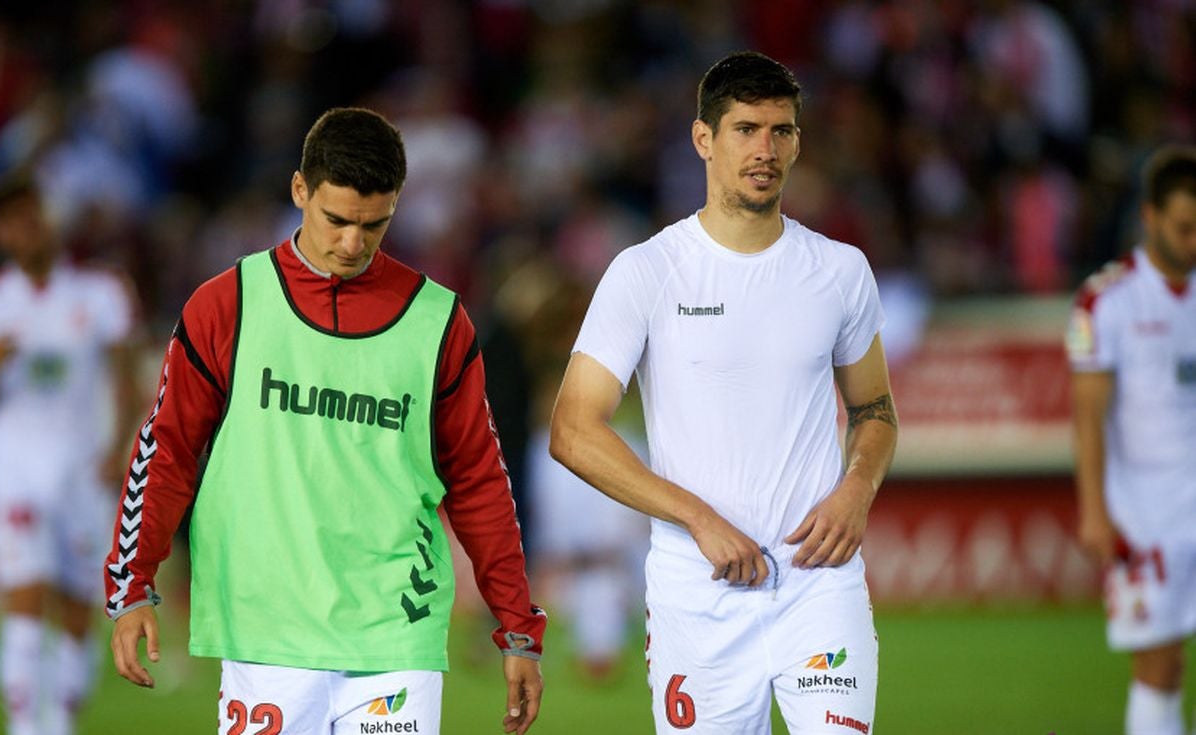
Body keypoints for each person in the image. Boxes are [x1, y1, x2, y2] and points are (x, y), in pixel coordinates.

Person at [105, 107, 546, 735]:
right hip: (265, 630)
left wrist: (517, 628)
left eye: (375, 225)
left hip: (398, 628)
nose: (352, 244)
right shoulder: (226, 305)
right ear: (300, 191)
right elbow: (167, 450)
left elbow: (478, 480)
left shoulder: (438, 322)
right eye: (336, 220)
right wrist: (133, 582)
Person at [550, 51, 897, 733]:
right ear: (703, 139)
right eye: (746, 129)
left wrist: (857, 489)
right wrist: (698, 518)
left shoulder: (840, 270)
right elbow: (573, 429)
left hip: (818, 583)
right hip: (697, 592)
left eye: (782, 131)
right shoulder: (647, 271)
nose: (766, 149)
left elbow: (874, 409)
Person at [0, 172, 142, 735]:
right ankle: (23, 726)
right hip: (15, 473)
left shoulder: (100, 292)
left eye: (34, 215)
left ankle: (59, 722)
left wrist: (119, 449)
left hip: (83, 473)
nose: (29, 229)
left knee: (79, 608)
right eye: (15, 222)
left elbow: (128, 378)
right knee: (26, 598)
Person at [1067, 144, 1196, 735]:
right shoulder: (1108, 299)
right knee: (1161, 665)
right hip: (1145, 513)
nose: (1193, 241)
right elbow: (1089, 415)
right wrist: (1095, 511)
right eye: (1184, 228)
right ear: (1149, 217)